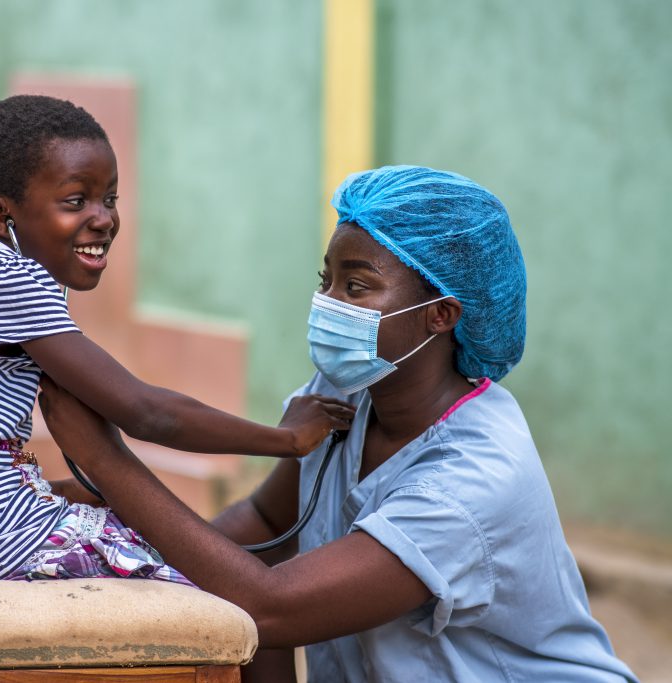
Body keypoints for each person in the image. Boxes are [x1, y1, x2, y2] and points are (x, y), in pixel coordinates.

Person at [37, 166, 637, 681]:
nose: (328, 303)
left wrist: (107, 462)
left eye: (357, 286)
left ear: (442, 314)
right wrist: (149, 564)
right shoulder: (351, 391)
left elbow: (273, 606)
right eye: (326, 280)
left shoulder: (470, 483)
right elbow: (270, 523)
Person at [0, 95, 353, 585]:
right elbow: (148, 413)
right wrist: (287, 439)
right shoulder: (8, 278)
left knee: (141, 523)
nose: (103, 219)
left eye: (110, 199)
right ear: (2, 215)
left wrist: (59, 487)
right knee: (227, 592)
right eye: (75, 201)